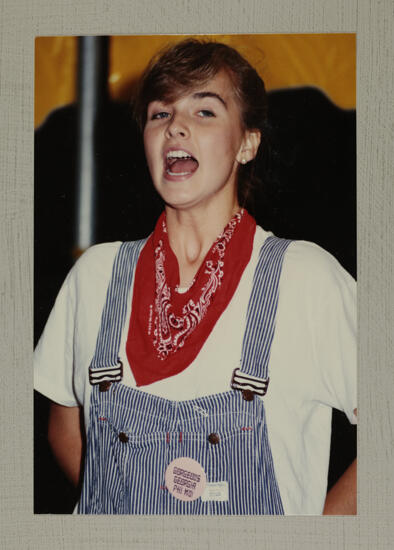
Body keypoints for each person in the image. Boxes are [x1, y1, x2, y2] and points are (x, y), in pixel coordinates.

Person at [34, 39, 357, 515]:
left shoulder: (306, 277)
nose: (175, 127)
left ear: (247, 142)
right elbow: (65, 426)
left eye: (204, 112)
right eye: (159, 114)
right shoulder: (94, 277)